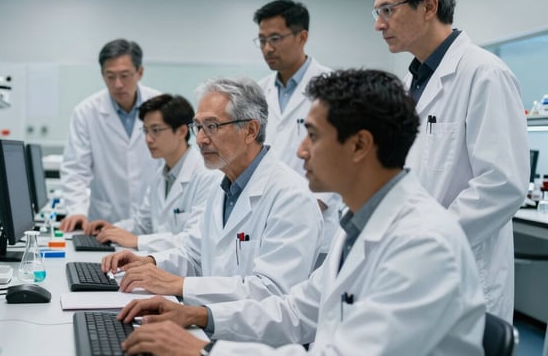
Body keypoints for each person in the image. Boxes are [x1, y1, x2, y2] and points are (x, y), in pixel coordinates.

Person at [117, 69, 486, 356]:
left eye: (313, 136)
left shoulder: (423, 244)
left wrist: (206, 349)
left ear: (360, 145)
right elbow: (297, 311)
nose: (301, 151)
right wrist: (201, 316)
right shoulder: (358, 226)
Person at [367, 0, 529, 321]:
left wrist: (429, 239)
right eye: (376, 13)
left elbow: (503, 183)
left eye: (387, 10)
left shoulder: (484, 74)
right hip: (412, 265)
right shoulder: (414, 82)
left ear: (429, 6)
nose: (379, 24)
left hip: (462, 271)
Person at [101, 77, 322, 306]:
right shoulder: (223, 188)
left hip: (257, 340)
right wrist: (148, 261)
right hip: (211, 325)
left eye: (212, 127)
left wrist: (179, 285)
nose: (200, 139)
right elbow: (194, 254)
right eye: (198, 127)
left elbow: (273, 293)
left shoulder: (291, 197)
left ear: (250, 130)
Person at [253, 0, 339, 261]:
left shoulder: (333, 88)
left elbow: (341, 158)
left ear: (302, 36)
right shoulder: (258, 92)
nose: (267, 48)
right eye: (262, 40)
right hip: (265, 222)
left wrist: (300, 211)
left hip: (317, 222)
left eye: (275, 38)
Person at [85, 94, 221, 252]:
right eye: (145, 131)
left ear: (182, 131)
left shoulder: (208, 175)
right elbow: (142, 224)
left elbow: (194, 239)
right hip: (159, 264)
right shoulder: (161, 174)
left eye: (156, 130)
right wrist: (112, 229)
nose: (148, 139)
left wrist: (136, 241)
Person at [59, 39, 162, 232]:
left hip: (153, 222)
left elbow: (171, 162)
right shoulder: (86, 112)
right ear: (102, 74)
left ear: (140, 72)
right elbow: (75, 170)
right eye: (110, 76)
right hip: (104, 222)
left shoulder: (161, 106)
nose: (118, 84)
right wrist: (76, 210)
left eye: (125, 75)